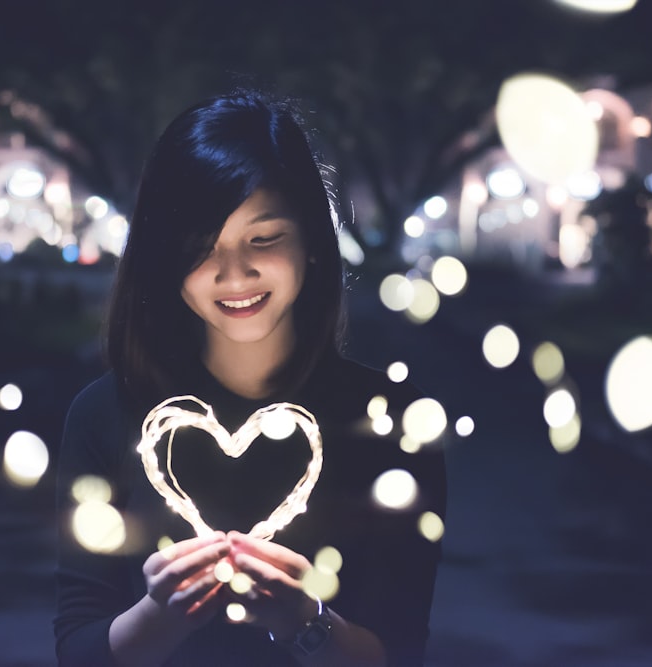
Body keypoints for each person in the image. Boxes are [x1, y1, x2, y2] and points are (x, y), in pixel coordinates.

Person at [54, 91, 446, 666]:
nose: (234, 274)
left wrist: (304, 621)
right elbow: (77, 650)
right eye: (199, 248)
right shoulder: (105, 415)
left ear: (312, 241)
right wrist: (159, 615)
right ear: (163, 258)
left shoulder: (390, 421)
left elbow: (400, 652)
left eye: (264, 239)